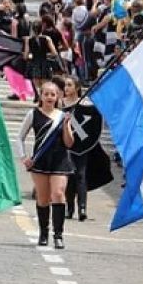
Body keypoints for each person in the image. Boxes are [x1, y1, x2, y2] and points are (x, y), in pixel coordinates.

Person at [17, 82, 75, 249]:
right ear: (41, 96)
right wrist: (24, 157)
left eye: (53, 94)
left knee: (58, 194)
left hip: (60, 161)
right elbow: (20, 137)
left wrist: (66, 127)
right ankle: (43, 232)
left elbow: (69, 143)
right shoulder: (33, 114)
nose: (49, 97)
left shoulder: (63, 116)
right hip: (40, 161)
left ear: (58, 97)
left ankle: (58, 235)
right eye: (46, 94)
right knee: (43, 198)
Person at [60, 76, 88, 221]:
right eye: (65, 85)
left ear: (77, 87)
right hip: (65, 145)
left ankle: (82, 207)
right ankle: (69, 207)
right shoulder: (61, 104)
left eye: (70, 85)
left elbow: (92, 126)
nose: (66, 88)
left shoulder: (85, 104)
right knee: (69, 176)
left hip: (82, 146)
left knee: (81, 175)